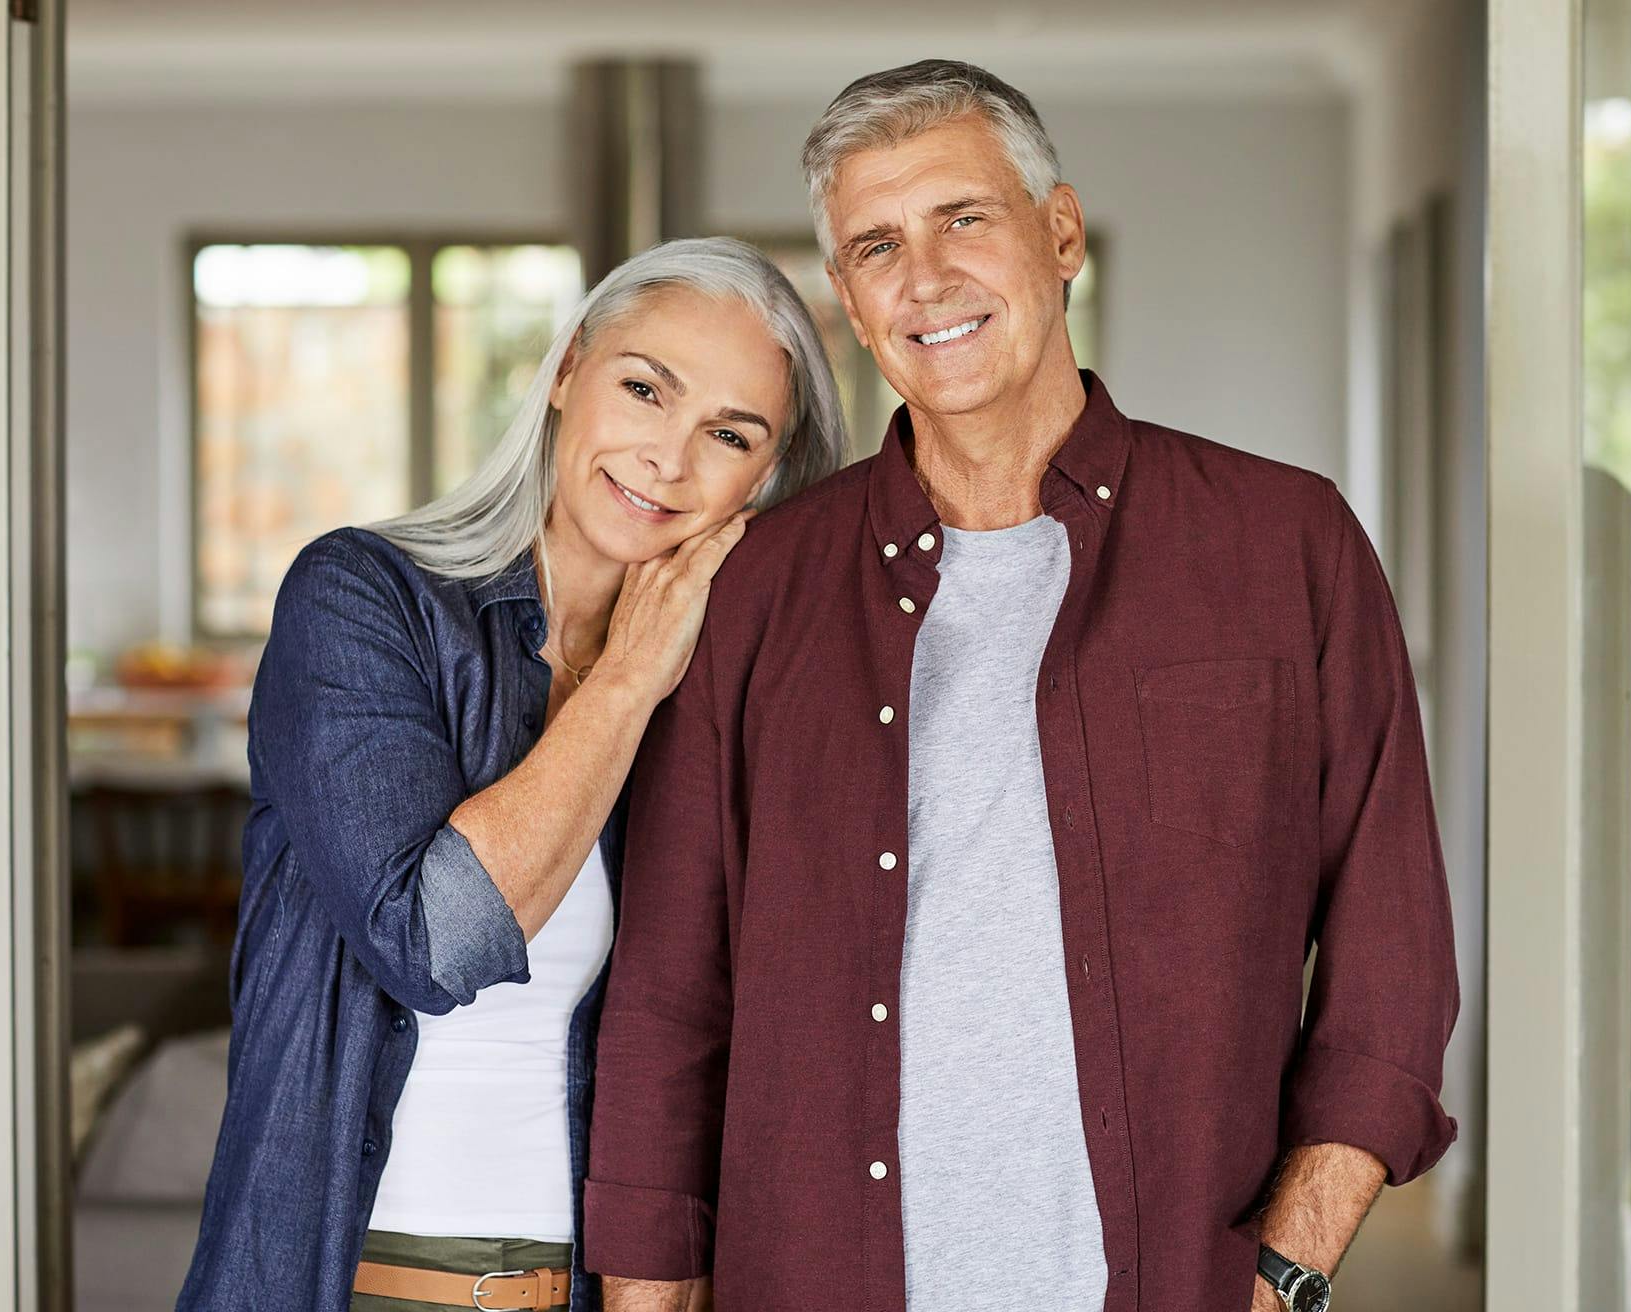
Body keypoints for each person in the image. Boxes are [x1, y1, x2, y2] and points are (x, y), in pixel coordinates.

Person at [584, 63, 1459, 1312]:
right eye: (878, 244)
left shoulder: (1287, 545)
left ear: (1060, 235)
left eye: (963, 220)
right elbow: (671, 994)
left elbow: (1396, 951)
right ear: (848, 296)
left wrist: (1287, 1265)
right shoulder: (756, 586)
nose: (925, 278)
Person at [175, 237, 846, 1312]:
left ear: (762, 480)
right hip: (350, 1285)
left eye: (728, 434)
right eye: (644, 389)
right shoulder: (362, 600)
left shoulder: (723, 701)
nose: (668, 459)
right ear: (569, 369)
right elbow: (433, 939)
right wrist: (626, 678)